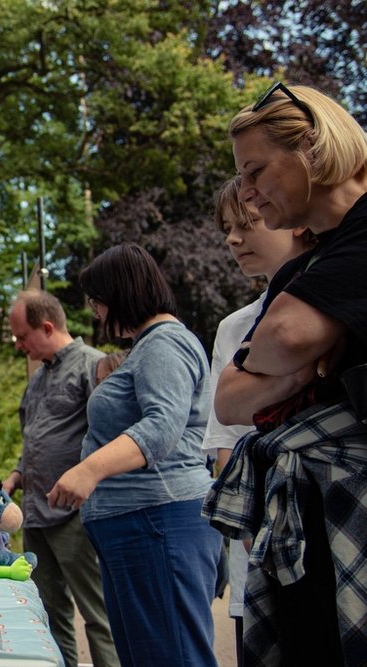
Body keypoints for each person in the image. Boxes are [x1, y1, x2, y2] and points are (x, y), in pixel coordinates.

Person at [206, 83, 367, 666]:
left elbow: (286, 336)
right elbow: (228, 399)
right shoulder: (305, 267)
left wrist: (291, 355)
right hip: (312, 536)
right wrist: (307, 366)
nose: (247, 194)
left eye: (255, 171)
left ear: (313, 148)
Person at [48, 243, 222, 667]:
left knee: (173, 656)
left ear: (120, 294)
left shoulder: (165, 344)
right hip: (139, 524)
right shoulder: (149, 346)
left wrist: (89, 470)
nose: (96, 313)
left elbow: (161, 426)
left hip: (158, 519)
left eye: (97, 301)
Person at [202, 175, 315, 665]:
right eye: (227, 227)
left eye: (246, 222)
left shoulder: (336, 297)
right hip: (259, 550)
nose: (231, 238)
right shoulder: (234, 327)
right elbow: (224, 440)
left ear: (295, 221)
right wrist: (255, 530)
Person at [1, 290, 118, 667]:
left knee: (98, 615)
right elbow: (36, 434)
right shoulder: (38, 377)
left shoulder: (93, 366)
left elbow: (110, 437)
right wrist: (16, 475)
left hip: (76, 516)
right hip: (36, 511)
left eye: (22, 336)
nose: (18, 345)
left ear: (47, 327)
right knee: (47, 614)